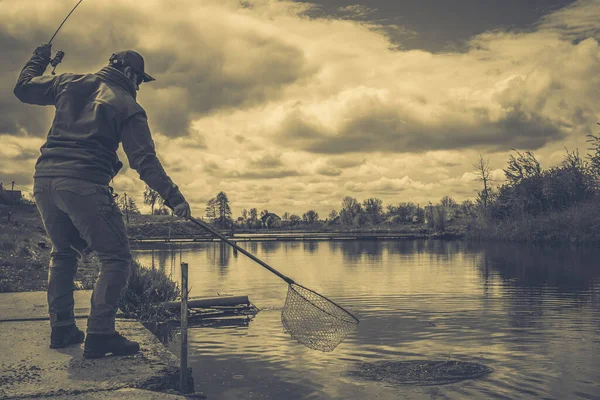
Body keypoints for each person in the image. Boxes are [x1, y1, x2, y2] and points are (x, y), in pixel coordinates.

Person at [14, 44, 191, 359]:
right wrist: (174, 198)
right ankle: (100, 335)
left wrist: (39, 59)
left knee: (63, 254)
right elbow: (144, 160)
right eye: (139, 81)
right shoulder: (126, 105)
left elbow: (24, 88)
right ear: (127, 73)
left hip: (44, 182)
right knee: (116, 259)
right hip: (84, 184)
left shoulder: (68, 82)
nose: (138, 88)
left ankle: (63, 329)